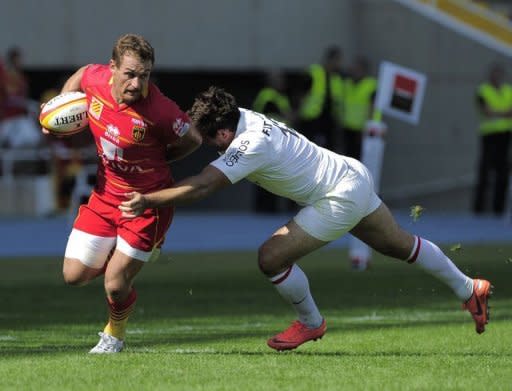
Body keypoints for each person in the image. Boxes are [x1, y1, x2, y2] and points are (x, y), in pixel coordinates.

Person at [119, 86, 492, 351]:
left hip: (336, 197)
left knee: (271, 258)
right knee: (401, 245)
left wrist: (147, 200)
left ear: (225, 132)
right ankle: (468, 288)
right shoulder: (244, 117)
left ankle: (312, 324)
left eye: (213, 140)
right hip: (350, 174)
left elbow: (203, 186)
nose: (212, 147)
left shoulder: (250, 144)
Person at [40, 34, 202, 353]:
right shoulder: (96, 79)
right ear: (112, 67)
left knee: (114, 284)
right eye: (130, 73)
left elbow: (193, 138)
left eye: (144, 75)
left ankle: (114, 335)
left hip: (146, 204)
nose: (136, 82)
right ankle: (127, 256)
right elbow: (81, 73)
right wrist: (58, 110)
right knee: (73, 275)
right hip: (104, 196)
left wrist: (163, 158)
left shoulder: (161, 110)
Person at [473, 63, 512, 216]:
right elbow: (486, 111)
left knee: (503, 173)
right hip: (489, 136)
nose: (497, 78)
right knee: (485, 172)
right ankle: (479, 211)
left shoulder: (508, 90)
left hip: (505, 136)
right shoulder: (483, 90)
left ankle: (498, 210)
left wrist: (496, 112)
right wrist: (504, 113)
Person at [252, 70, 293, 213]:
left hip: (280, 142)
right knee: (265, 173)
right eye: (278, 79)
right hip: (268, 141)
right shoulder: (267, 95)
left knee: (277, 173)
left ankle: (273, 207)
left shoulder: (281, 97)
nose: (281, 82)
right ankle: (264, 208)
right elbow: (266, 115)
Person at [297, 46, 345, 150]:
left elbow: (337, 101)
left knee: (328, 150)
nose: (339, 63)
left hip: (329, 120)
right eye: (338, 60)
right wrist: (298, 113)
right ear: (331, 59)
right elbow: (302, 93)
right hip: (311, 118)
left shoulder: (336, 78)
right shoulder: (315, 72)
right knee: (309, 148)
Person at [341, 56, 377, 160]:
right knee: (347, 158)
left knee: (359, 158)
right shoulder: (347, 83)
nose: (354, 71)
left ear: (364, 70)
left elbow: (373, 108)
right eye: (354, 68)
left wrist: (368, 128)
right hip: (347, 127)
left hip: (362, 130)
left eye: (358, 69)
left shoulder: (371, 85)